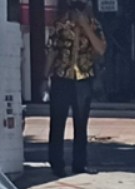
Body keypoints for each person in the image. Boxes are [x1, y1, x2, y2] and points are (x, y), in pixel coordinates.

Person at [47, 0, 107, 178]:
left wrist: (85, 26)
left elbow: (101, 48)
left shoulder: (94, 24)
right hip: (61, 77)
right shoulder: (60, 24)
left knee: (81, 123)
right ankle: (56, 163)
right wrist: (45, 76)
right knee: (57, 121)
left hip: (83, 78)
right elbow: (51, 50)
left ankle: (80, 163)